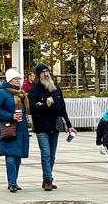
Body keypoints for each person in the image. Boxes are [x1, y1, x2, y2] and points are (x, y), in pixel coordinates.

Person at [27, 63, 77, 191]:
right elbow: (32, 109)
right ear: (39, 75)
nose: (46, 74)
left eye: (47, 71)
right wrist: (45, 105)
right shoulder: (34, 91)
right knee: (46, 153)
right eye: (43, 72)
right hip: (42, 127)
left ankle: (47, 178)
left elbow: (62, 108)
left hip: (55, 127)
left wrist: (69, 126)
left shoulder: (56, 89)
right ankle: (48, 179)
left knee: (52, 155)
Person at [0, 68, 30, 192]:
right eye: (15, 79)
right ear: (9, 80)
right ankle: (11, 182)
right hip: (8, 127)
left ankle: (14, 181)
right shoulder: (2, 93)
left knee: (17, 157)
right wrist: (11, 116)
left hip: (21, 127)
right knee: (10, 156)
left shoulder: (21, 93)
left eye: (19, 78)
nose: (18, 81)